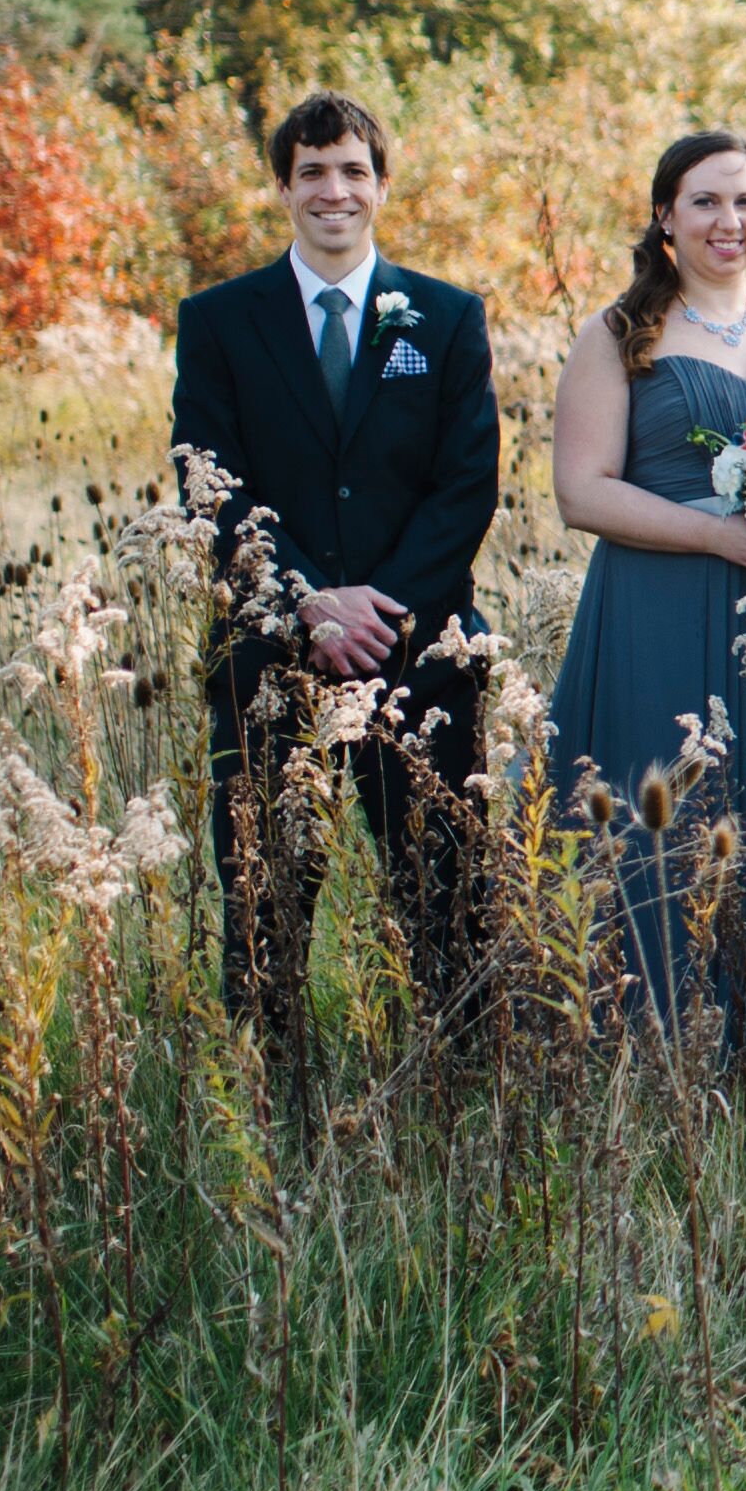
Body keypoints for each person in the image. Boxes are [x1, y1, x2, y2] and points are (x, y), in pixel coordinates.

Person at [170, 90, 502, 1048]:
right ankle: (272, 1090)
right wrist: (311, 601)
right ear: (283, 186)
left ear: (382, 185)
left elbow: (464, 486)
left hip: (421, 652)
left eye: (353, 170)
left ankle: (458, 1087)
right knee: (266, 888)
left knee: (444, 884)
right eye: (312, 171)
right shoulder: (221, 321)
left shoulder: (443, 317)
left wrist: (378, 613)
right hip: (270, 654)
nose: (333, 190)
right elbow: (211, 484)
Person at [546, 131, 746, 1052]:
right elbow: (582, 491)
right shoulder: (618, 334)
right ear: (665, 217)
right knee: (674, 817)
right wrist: (725, 534)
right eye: (707, 202)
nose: (731, 222)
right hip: (661, 607)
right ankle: (656, 1041)